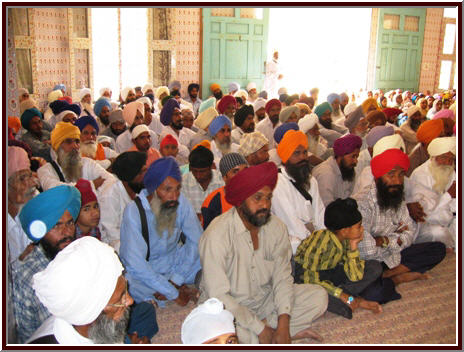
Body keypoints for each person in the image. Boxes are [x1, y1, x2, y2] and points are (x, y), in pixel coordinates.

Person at [199, 162, 328, 344]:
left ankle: (274, 332)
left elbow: (282, 278)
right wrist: (259, 328)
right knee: (222, 335)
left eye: (268, 198)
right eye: (257, 198)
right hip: (229, 308)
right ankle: (272, 334)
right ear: (240, 200)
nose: (265, 205)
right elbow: (218, 296)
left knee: (319, 296)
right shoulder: (216, 235)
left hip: (265, 302)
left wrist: (283, 323)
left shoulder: (276, 227)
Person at [28, 237, 157, 344]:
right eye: (120, 298)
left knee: (146, 312)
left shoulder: (85, 321)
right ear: (92, 315)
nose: (130, 300)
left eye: (125, 290)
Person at [294, 198, 400, 320]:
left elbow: (355, 276)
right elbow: (309, 279)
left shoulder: (345, 240)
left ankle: (348, 298)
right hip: (308, 279)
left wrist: (353, 247)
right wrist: (341, 295)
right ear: (344, 231)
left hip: (331, 275)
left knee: (375, 267)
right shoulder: (320, 242)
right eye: (359, 227)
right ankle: (353, 300)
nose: (362, 230)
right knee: (333, 302)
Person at [354, 149, 446, 286]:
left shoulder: (397, 196)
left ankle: (391, 274)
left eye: (401, 175)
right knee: (375, 289)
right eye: (391, 175)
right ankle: (397, 277)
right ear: (378, 177)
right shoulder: (362, 203)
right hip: (371, 262)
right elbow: (367, 251)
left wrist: (382, 240)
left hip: (393, 255)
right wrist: (395, 238)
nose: (397, 181)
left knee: (438, 249)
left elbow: (409, 233)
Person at [119, 157, 202, 307]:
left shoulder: (180, 201)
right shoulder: (133, 212)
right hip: (148, 269)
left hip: (175, 262)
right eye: (167, 189)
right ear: (154, 189)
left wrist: (176, 279)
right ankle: (158, 295)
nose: (174, 196)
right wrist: (172, 292)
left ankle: (164, 292)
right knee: (129, 284)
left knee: (207, 256)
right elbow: (135, 263)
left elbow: (197, 240)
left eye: (177, 188)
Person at [13, 185, 81, 343]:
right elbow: (28, 337)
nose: (67, 232)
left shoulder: (79, 255)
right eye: (56, 226)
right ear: (41, 231)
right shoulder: (28, 278)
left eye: (70, 223)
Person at [271, 130, 326, 254]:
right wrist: (315, 245)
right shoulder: (278, 183)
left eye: (305, 152)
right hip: (292, 245)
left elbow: (320, 213)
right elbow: (292, 224)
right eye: (296, 153)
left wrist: (325, 239)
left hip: (314, 240)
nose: (302, 157)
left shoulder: (311, 180)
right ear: (286, 157)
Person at [37, 122, 115, 192]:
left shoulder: (87, 163)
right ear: (57, 147)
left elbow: (109, 180)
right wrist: (91, 185)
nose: (75, 146)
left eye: (77, 141)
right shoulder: (45, 170)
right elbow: (55, 190)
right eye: (68, 142)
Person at [410, 137, 456, 249]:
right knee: (439, 233)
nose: (448, 162)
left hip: (447, 218)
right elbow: (427, 215)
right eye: (444, 157)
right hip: (425, 225)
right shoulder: (420, 175)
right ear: (434, 156)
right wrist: (448, 196)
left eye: (451, 159)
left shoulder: (449, 170)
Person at [99, 152, 147, 252]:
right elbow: (112, 236)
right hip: (116, 250)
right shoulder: (110, 196)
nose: (145, 176)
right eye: (142, 173)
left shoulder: (138, 189)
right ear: (129, 177)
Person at [201, 153, 248, 230]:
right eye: (235, 171)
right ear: (224, 177)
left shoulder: (257, 194)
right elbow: (210, 237)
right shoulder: (213, 203)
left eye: (245, 170)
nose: (242, 175)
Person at [312, 134, 362, 207]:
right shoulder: (326, 174)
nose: (355, 161)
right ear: (340, 155)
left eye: (357, 157)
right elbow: (326, 208)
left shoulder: (347, 170)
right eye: (353, 156)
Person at [7, 147, 38, 265]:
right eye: (22, 178)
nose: (32, 183)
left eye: (30, 176)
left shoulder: (34, 199)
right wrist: (21, 260)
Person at [182, 146, 225, 219]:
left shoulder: (222, 181)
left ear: (212, 166)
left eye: (202, 172)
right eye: (194, 171)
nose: (198, 176)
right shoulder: (183, 182)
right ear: (190, 168)